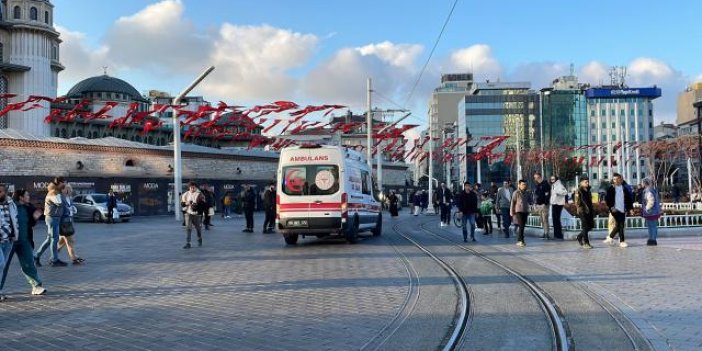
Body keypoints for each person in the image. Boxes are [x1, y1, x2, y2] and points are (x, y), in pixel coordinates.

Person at [0, 185, 46, 301]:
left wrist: (35, 217)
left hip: (24, 240)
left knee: (29, 263)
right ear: (21, 197)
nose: (29, 197)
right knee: (3, 266)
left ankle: (36, 286)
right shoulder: (13, 205)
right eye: (27, 195)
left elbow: (30, 223)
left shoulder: (27, 207)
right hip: (9, 240)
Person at [35, 181, 67, 267]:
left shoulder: (55, 193)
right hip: (52, 218)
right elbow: (59, 203)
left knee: (50, 239)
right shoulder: (53, 194)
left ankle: (36, 256)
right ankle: (54, 259)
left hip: (54, 218)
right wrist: (62, 194)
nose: (63, 186)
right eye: (61, 185)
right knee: (54, 239)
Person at [604, 173, 634, 248]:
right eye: (614, 179)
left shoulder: (624, 188)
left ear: (621, 179)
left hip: (623, 209)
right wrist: (611, 207)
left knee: (619, 225)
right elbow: (607, 199)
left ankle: (610, 237)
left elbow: (629, 200)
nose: (616, 181)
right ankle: (622, 241)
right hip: (615, 210)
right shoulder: (611, 188)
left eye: (617, 179)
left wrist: (630, 209)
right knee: (620, 225)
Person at [57, 184, 84, 264]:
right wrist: (68, 211)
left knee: (63, 240)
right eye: (69, 189)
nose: (71, 191)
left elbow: (71, 207)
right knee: (70, 240)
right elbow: (60, 210)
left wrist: (73, 209)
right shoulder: (61, 198)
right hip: (63, 222)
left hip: (69, 222)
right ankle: (74, 258)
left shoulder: (70, 198)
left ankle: (55, 251)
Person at [181, 181, 205, 249]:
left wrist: (196, 206)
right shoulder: (185, 194)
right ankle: (188, 243)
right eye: (191, 187)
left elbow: (203, 204)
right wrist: (187, 203)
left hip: (196, 214)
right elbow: (182, 204)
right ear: (189, 187)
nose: (192, 189)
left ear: (196, 187)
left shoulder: (199, 194)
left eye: (194, 187)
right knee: (188, 228)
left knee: (198, 228)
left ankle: (199, 239)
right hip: (188, 213)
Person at [574, 176, 594, 249]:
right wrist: (581, 209)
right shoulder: (578, 191)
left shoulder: (588, 190)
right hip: (582, 211)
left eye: (588, 182)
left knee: (590, 227)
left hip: (589, 210)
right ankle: (586, 243)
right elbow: (577, 202)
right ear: (581, 183)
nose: (587, 183)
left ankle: (579, 236)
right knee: (585, 227)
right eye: (586, 182)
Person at [641, 178, 662, 246]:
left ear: (645, 183)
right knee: (651, 226)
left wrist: (646, 208)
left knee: (652, 226)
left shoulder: (648, 191)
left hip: (651, 212)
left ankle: (653, 239)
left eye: (642, 183)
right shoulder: (652, 190)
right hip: (653, 211)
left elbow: (651, 201)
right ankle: (651, 239)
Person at [510, 180, 530, 247]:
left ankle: (522, 240)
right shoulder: (516, 192)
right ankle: (519, 240)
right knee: (521, 225)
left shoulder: (527, 192)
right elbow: (512, 202)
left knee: (523, 226)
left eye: (525, 184)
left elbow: (530, 201)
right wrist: (511, 212)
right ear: (519, 185)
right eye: (522, 184)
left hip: (525, 211)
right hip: (518, 211)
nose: (524, 186)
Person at [533, 172, 551, 240]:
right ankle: (545, 232)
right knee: (542, 220)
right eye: (534, 178)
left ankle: (547, 233)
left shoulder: (545, 184)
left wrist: (545, 203)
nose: (535, 179)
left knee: (545, 219)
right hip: (539, 205)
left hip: (544, 205)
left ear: (540, 177)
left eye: (536, 177)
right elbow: (536, 195)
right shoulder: (537, 185)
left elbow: (547, 194)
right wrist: (536, 203)